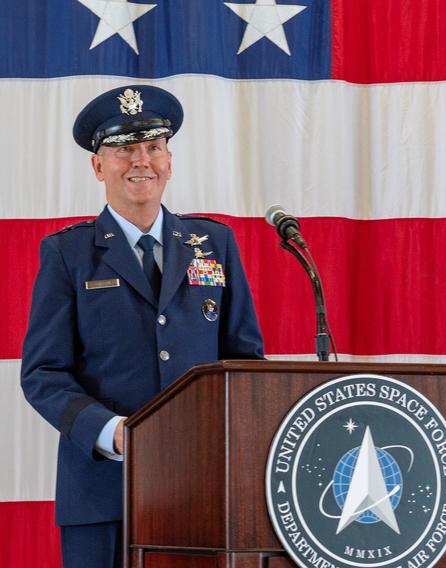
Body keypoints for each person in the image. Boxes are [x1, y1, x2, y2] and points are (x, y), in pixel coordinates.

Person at [21, 85, 264, 568]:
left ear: (169, 161)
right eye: (124, 149)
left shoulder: (213, 243)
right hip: (102, 492)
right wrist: (110, 432)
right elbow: (43, 373)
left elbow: (244, 363)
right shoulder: (68, 254)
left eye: (153, 147)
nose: (141, 160)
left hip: (203, 486)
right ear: (98, 166)